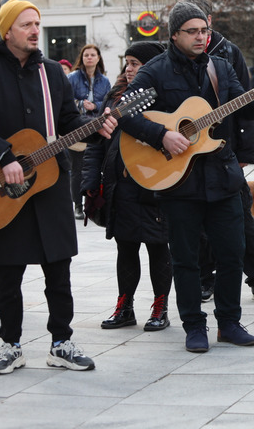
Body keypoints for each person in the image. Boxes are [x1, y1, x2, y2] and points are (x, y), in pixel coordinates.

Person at [0, 0, 117, 375]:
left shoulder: (52, 74)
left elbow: (68, 122)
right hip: (2, 190)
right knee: (9, 273)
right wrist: (5, 156)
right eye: (25, 24)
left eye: (37, 23)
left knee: (58, 270)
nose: (33, 30)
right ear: (7, 30)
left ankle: (61, 343)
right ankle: (11, 345)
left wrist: (97, 130)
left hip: (50, 185)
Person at [118, 1, 254, 353]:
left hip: (221, 176)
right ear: (174, 35)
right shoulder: (154, 72)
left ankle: (229, 322)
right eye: (192, 31)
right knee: (186, 258)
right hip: (177, 181)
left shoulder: (220, 67)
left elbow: (243, 105)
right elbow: (125, 114)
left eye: (204, 31)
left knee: (231, 253)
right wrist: (161, 135)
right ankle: (194, 326)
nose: (200, 37)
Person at [183, 0, 254, 304]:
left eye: (200, 24)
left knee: (242, 218)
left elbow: (244, 103)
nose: (196, 33)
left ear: (210, 21)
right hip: (188, 152)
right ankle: (204, 278)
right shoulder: (174, 56)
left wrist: (242, 153)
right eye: (187, 26)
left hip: (226, 150)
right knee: (198, 224)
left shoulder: (227, 53)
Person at [81, 41, 173, 332]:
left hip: (152, 182)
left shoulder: (163, 96)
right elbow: (97, 143)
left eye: (135, 63)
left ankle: (161, 306)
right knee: (126, 248)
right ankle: (125, 306)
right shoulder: (115, 96)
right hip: (118, 184)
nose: (129, 69)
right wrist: (90, 181)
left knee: (158, 247)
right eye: (127, 63)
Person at [68, 44, 111, 220]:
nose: (90, 58)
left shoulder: (105, 81)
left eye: (93, 55)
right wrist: (79, 104)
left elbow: (109, 102)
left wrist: (96, 106)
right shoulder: (73, 77)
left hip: (97, 127)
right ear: (82, 58)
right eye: (86, 55)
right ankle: (77, 204)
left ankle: (92, 202)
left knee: (94, 166)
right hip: (77, 128)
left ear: (98, 58)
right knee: (77, 168)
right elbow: (65, 102)